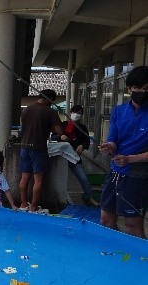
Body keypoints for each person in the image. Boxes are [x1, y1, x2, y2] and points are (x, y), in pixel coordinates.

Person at [99, 66, 148, 239]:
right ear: (129, 89)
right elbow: (113, 139)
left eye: (146, 89)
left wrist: (130, 159)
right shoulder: (119, 111)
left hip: (137, 176)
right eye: (138, 88)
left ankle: (140, 263)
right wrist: (109, 146)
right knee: (106, 220)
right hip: (115, 172)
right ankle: (112, 258)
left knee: (133, 225)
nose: (142, 92)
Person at [19, 89, 67, 213]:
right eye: (52, 101)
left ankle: (23, 205)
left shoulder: (26, 109)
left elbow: (25, 127)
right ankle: (34, 208)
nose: (52, 103)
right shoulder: (50, 111)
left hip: (24, 147)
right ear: (48, 99)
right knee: (38, 180)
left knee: (24, 178)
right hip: (39, 148)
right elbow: (60, 132)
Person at [52, 105, 99, 206]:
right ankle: (56, 198)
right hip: (61, 156)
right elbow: (53, 136)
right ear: (70, 113)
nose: (77, 115)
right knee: (58, 178)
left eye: (79, 113)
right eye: (75, 112)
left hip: (74, 156)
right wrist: (61, 137)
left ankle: (88, 197)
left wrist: (82, 146)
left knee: (83, 177)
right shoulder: (63, 125)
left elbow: (87, 141)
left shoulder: (82, 128)